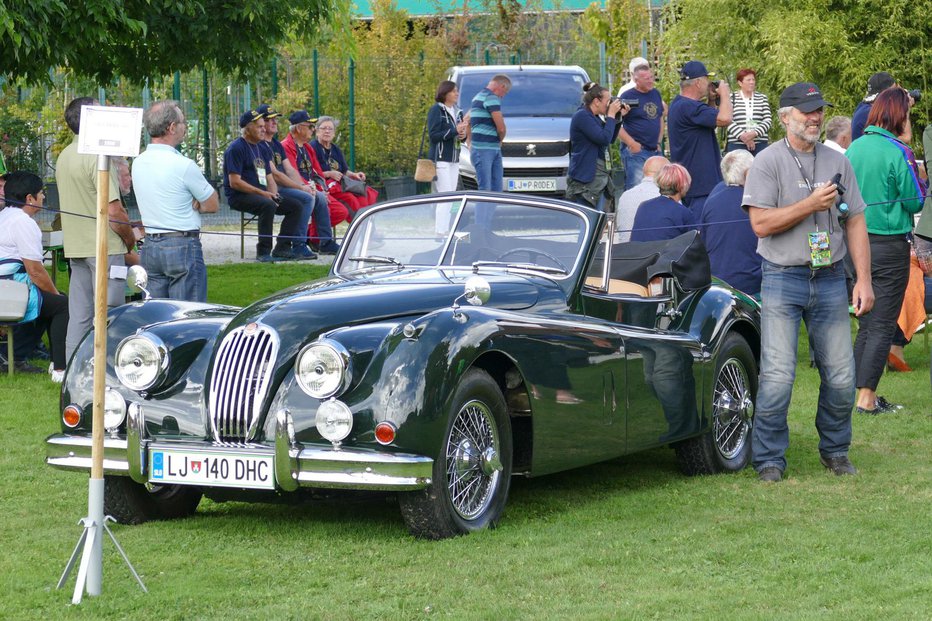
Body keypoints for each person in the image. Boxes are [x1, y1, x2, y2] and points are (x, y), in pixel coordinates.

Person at [744, 82, 874, 482]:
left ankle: (835, 451)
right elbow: (761, 224)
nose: (815, 117)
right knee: (778, 375)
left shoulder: (838, 159)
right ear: (785, 117)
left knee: (841, 375)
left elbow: (854, 219)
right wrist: (809, 205)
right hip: (782, 277)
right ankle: (768, 458)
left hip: (832, 276)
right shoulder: (767, 162)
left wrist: (864, 280)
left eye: (819, 110)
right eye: (806, 111)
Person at [845, 87, 925, 413]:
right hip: (888, 245)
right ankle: (866, 398)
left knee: (866, 322)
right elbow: (915, 200)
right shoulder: (898, 151)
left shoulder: (854, 148)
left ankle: (852, 392)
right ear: (898, 115)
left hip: (855, 243)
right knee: (881, 324)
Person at [57, 97, 138, 360]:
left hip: (76, 246)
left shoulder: (65, 155)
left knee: (79, 313)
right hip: (103, 246)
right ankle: (110, 367)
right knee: (111, 311)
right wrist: (129, 239)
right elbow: (114, 211)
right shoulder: (97, 156)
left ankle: (73, 366)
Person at [132, 100, 219, 301]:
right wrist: (197, 202)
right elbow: (213, 203)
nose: (185, 127)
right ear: (171, 128)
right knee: (187, 315)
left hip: (151, 246)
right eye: (182, 122)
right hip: (182, 244)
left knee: (157, 314)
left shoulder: (138, 162)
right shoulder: (184, 165)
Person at [0, 172, 69, 380]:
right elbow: (36, 271)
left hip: (8, 287)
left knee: (46, 301)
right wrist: (56, 294)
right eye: (41, 193)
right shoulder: (23, 222)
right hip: (8, 290)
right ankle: (60, 369)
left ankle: (14, 357)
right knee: (61, 304)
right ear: (29, 198)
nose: (43, 197)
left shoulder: (5, 215)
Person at [223, 109, 307, 262]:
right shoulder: (236, 148)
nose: (263, 129)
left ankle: (282, 248)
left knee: (296, 206)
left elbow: (269, 178)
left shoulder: (261, 147)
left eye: (263, 126)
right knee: (267, 205)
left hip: (262, 194)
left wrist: (274, 195)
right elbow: (234, 182)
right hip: (240, 195)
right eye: (259, 127)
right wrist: (265, 195)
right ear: (247, 129)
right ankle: (263, 252)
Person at [667, 61, 732, 217]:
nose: (709, 83)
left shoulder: (680, 104)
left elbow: (709, 123)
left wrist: (711, 101)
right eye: (706, 79)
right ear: (697, 83)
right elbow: (725, 119)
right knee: (702, 231)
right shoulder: (689, 107)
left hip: (693, 182)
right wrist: (725, 94)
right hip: (700, 186)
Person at [255, 103, 318, 260]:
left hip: (281, 187)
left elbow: (289, 170)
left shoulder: (276, 144)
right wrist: (301, 188)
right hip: (266, 189)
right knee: (305, 199)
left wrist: (304, 186)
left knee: (309, 196)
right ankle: (298, 245)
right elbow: (274, 174)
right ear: (261, 123)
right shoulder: (261, 144)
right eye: (269, 119)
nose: (274, 122)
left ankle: (295, 245)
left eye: (275, 119)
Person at [280, 110, 345, 254]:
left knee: (322, 198)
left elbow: (318, 173)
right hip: (291, 188)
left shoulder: (308, 147)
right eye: (309, 126)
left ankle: (325, 242)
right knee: (312, 197)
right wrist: (306, 187)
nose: (313, 129)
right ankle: (300, 244)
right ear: (298, 128)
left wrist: (321, 188)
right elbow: (291, 173)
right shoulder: (286, 146)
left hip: (310, 188)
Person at [699, 150, 762, 297]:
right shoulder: (756, 199)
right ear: (748, 173)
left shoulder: (715, 192)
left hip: (715, 282)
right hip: (751, 284)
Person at [566, 82, 624, 210]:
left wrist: (618, 117)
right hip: (586, 179)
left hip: (598, 176)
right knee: (588, 216)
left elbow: (610, 138)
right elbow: (603, 138)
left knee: (599, 218)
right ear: (597, 101)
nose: (609, 104)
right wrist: (610, 115)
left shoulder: (594, 117)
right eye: (608, 101)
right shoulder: (582, 116)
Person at [310, 116, 378, 218]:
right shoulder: (312, 147)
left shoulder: (336, 149)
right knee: (351, 199)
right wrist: (329, 173)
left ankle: (367, 225)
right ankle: (357, 226)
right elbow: (310, 174)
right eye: (324, 128)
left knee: (365, 194)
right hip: (324, 185)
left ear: (334, 133)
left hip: (341, 183)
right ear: (317, 131)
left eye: (330, 129)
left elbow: (344, 171)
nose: (327, 131)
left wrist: (355, 175)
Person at [617, 62, 666, 190]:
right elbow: (615, 124)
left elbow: (660, 117)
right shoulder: (627, 97)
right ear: (636, 80)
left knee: (661, 188)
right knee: (637, 189)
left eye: (652, 77)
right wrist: (632, 144)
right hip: (637, 153)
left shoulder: (655, 93)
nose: (651, 81)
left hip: (654, 151)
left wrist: (659, 142)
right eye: (647, 79)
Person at [630, 163, 696, 242]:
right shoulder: (683, 213)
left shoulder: (643, 206)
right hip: (665, 253)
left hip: (639, 253)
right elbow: (695, 246)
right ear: (682, 185)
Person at [468, 74, 511, 192]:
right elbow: (501, 128)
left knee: (487, 188)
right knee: (490, 190)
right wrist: (500, 140)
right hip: (486, 149)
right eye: (505, 92)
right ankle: (484, 211)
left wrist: (469, 142)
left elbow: (468, 121)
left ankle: (486, 211)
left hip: (481, 148)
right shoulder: (492, 98)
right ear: (501, 86)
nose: (502, 96)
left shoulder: (477, 97)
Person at [615, 155, 668, 243]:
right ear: (665, 173)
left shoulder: (625, 196)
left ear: (644, 171)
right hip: (654, 253)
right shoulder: (667, 197)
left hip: (624, 250)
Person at [428, 80, 468, 193]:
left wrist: (463, 135)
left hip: (454, 160)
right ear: (445, 93)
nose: (457, 94)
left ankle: (446, 212)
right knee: (445, 196)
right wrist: (455, 130)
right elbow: (433, 136)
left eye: (457, 91)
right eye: (454, 91)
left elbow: (460, 136)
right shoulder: (437, 110)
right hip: (441, 160)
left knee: (451, 195)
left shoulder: (458, 111)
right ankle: (440, 211)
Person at [725, 68, 772, 155]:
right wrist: (743, 136)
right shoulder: (731, 98)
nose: (752, 82)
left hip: (760, 144)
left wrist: (754, 133)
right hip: (737, 144)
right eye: (748, 80)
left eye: (753, 79)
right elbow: (727, 120)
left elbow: (768, 120)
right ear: (740, 83)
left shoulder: (762, 98)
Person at [851, 71, 895, 141]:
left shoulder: (863, 107)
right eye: (894, 92)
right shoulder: (870, 113)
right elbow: (901, 139)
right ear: (885, 94)